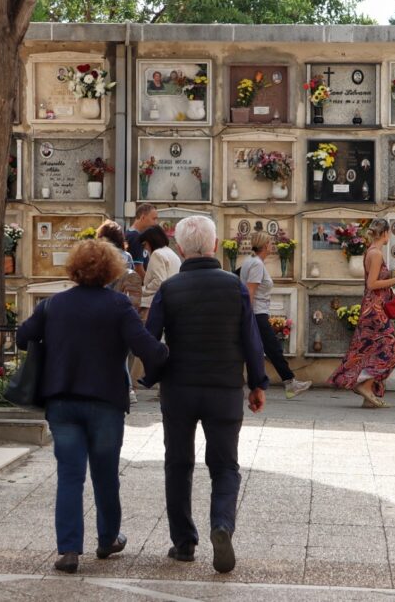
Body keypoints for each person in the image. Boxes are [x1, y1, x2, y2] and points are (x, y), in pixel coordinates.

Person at [16, 240, 168, 575]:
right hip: (105, 404)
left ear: (74, 268)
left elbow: (22, 336)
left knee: (69, 476)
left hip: (62, 402)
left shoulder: (53, 305)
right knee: (105, 475)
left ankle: (69, 550)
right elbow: (147, 348)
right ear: (111, 270)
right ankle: (108, 538)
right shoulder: (118, 305)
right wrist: (172, 357)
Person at [139, 215, 268, 574]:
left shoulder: (170, 288)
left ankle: (184, 544)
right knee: (225, 465)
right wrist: (257, 383)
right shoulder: (235, 286)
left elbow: (151, 341)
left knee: (177, 465)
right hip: (224, 389)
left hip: (179, 390)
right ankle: (221, 527)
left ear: (180, 248)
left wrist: (153, 375)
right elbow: (251, 338)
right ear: (213, 245)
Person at [327, 219, 395, 408]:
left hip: (373, 308)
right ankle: (365, 385)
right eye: (390, 233)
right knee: (393, 349)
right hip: (374, 310)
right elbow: (372, 284)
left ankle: (369, 397)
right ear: (386, 233)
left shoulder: (373, 251)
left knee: (371, 350)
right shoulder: (376, 254)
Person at [239, 231, 312, 400]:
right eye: (271, 243)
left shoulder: (250, 261)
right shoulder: (256, 264)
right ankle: (289, 383)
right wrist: (248, 317)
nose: (272, 246)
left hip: (256, 313)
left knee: (257, 350)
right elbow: (249, 292)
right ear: (265, 246)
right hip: (256, 314)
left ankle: (267, 384)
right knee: (272, 349)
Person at [97, 220, 141, 405]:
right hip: (121, 306)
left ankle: (111, 388)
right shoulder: (127, 256)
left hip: (100, 306)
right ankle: (128, 389)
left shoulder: (100, 256)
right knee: (120, 350)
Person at [139, 225, 182, 320]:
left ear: (151, 241)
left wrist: (143, 290)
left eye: (144, 244)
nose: (145, 248)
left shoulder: (157, 254)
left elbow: (159, 282)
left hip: (154, 305)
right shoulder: (171, 253)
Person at [126, 204, 159, 281]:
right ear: (143, 217)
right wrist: (150, 285)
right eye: (154, 219)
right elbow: (138, 269)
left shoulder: (133, 234)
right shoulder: (136, 237)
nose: (156, 223)